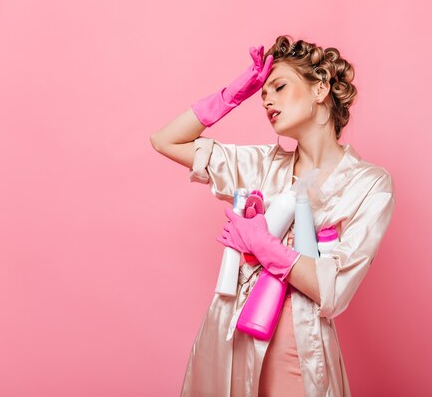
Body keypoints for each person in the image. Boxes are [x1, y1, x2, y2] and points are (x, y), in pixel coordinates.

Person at [150, 35, 396, 397]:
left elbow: (332, 290)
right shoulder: (262, 166)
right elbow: (165, 140)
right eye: (262, 92)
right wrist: (231, 96)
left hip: (300, 349)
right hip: (229, 338)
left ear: (321, 88)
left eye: (279, 87)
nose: (266, 99)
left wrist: (262, 245)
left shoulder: (369, 185)